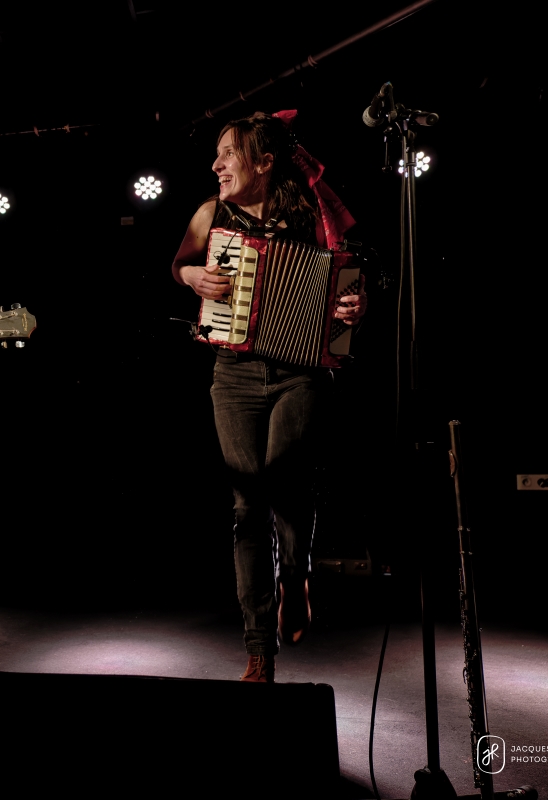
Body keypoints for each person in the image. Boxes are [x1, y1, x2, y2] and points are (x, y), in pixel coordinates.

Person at [171, 111, 366, 683]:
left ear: (263, 161)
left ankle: (296, 576)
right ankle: (259, 648)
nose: (215, 165)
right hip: (233, 373)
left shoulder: (311, 212)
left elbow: (348, 278)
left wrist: (353, 309)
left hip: (300, 371)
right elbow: (179, 264)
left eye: (226, 154)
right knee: (245, 507)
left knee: (288, 487)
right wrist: (192, 280)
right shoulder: (212, 213)